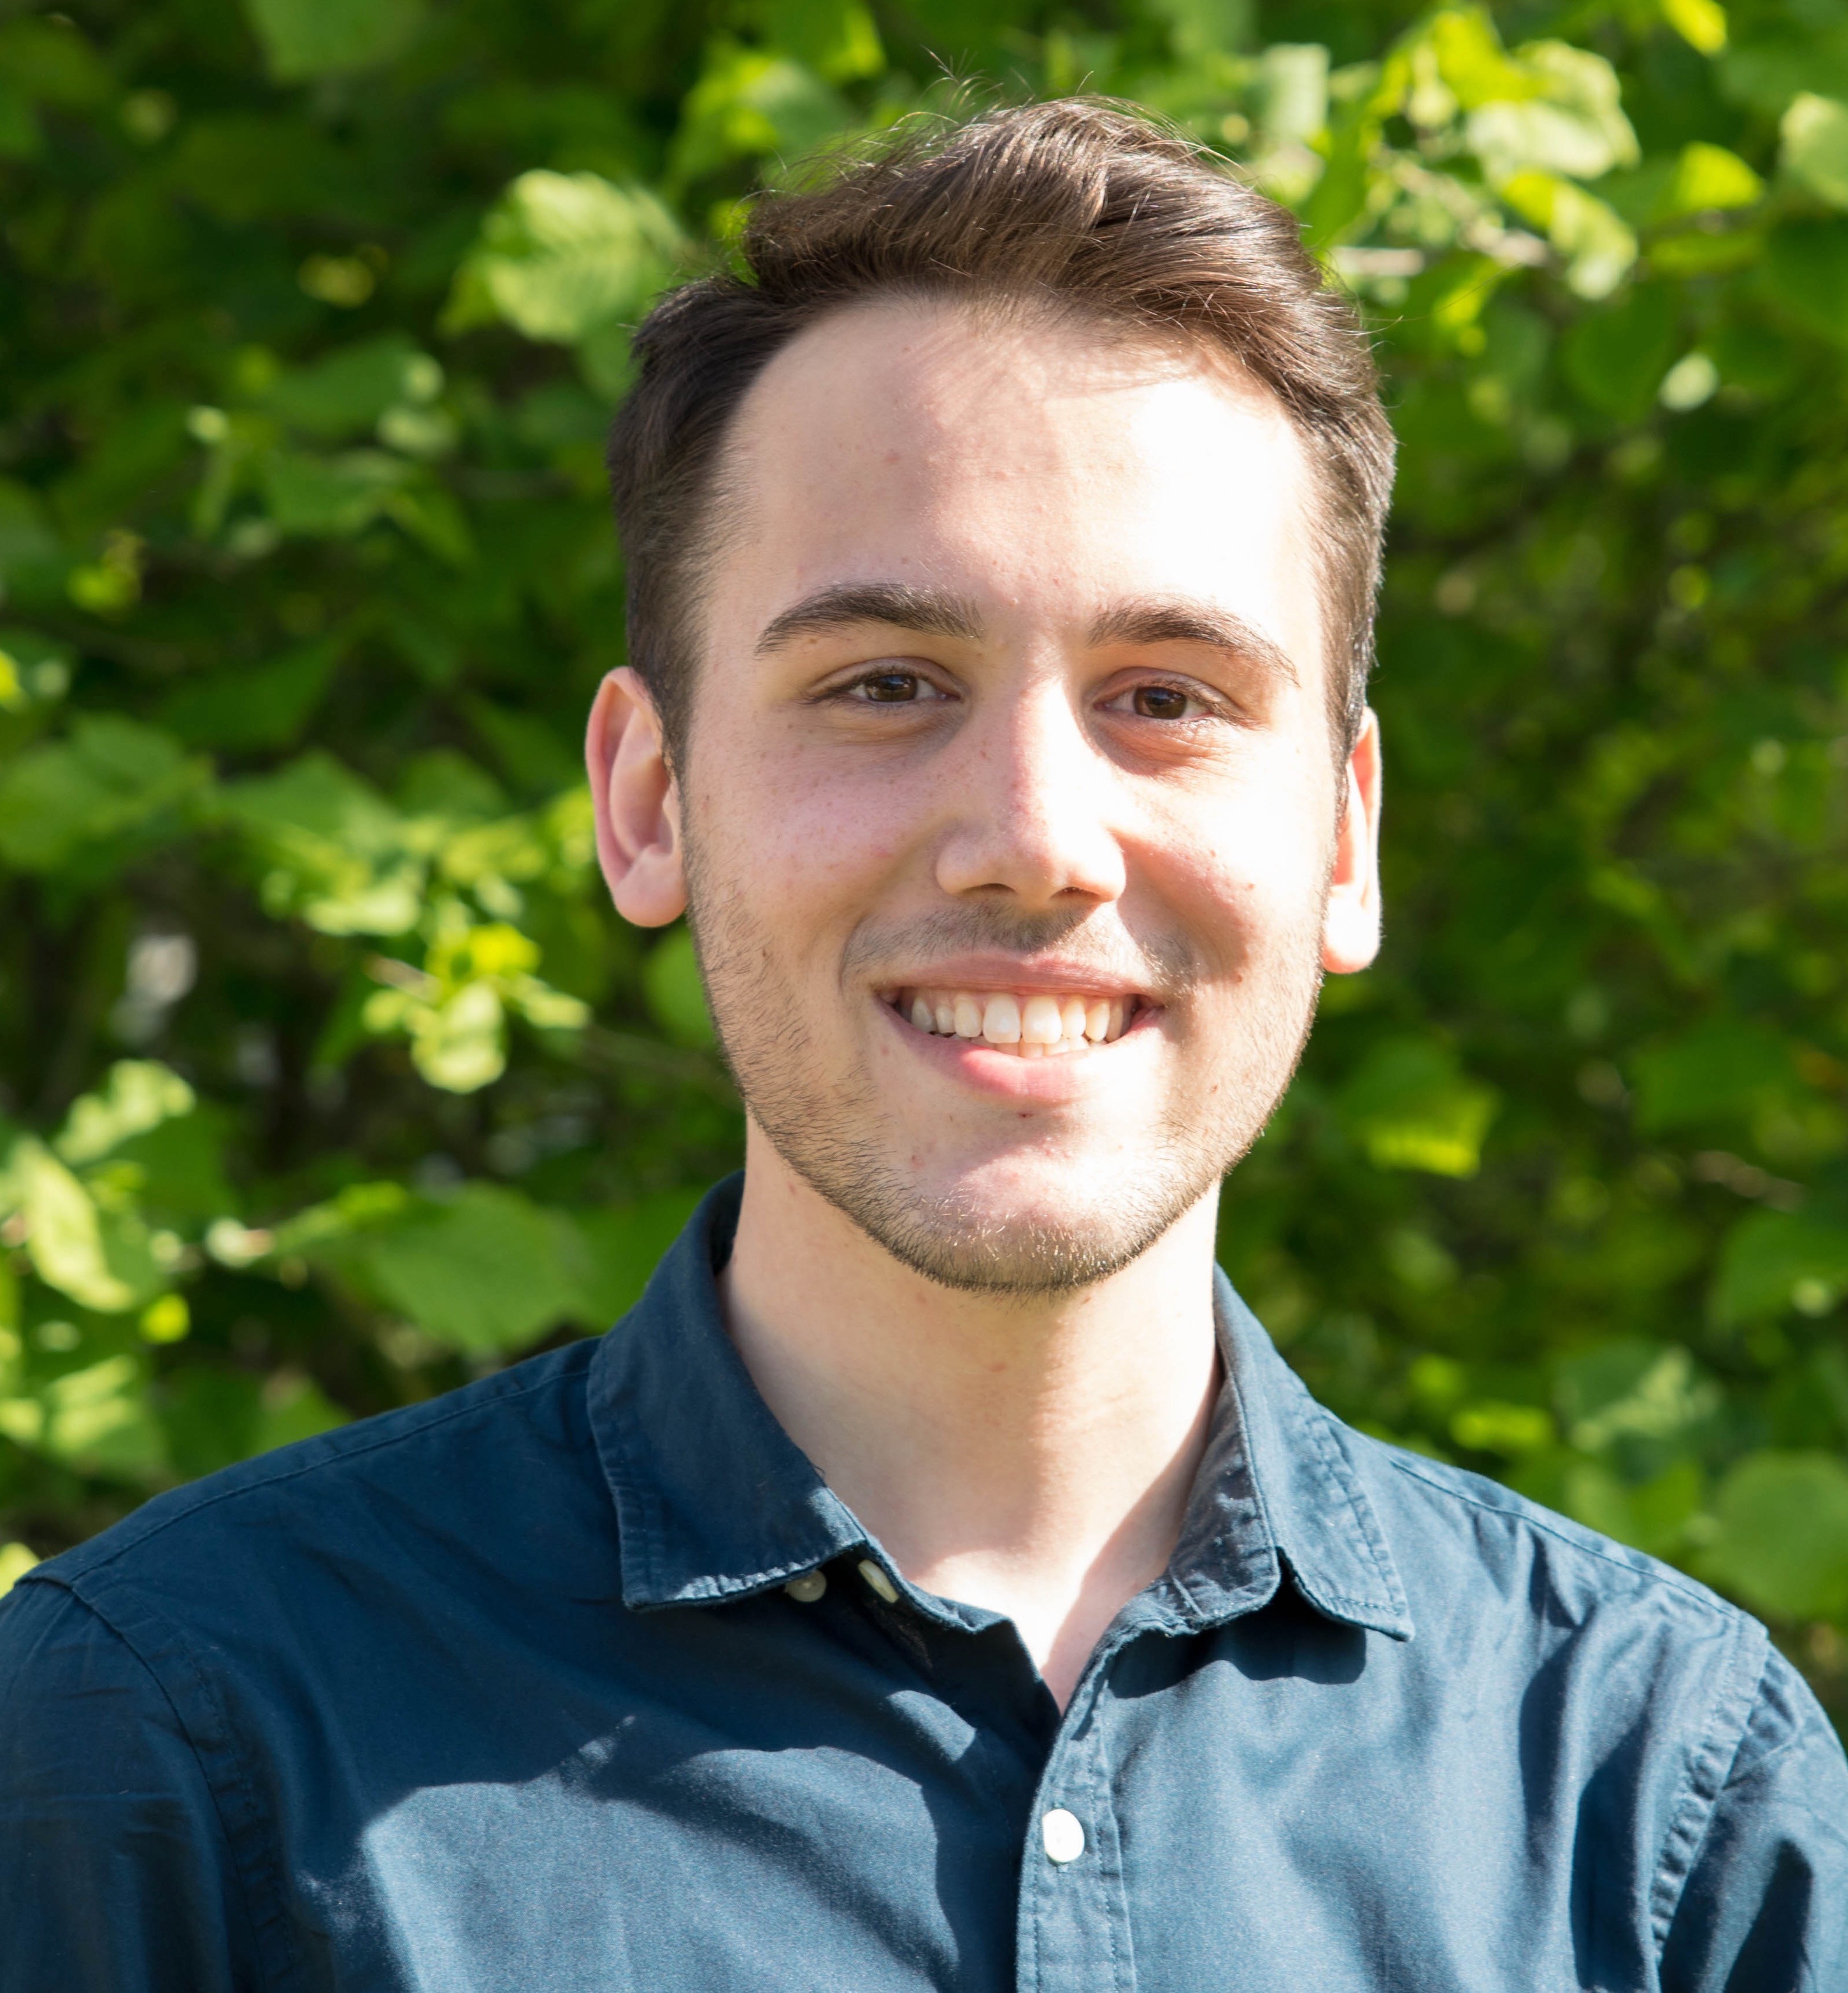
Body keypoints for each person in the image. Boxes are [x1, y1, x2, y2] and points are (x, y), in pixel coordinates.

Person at [2, 98, 1844, 1993]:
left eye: (1166, 696)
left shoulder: (1658, 1802)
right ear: (647, 800)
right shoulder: (170, 1751)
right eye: (884, 684)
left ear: (1344, 840)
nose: (1034, 840)